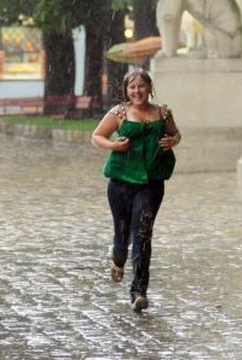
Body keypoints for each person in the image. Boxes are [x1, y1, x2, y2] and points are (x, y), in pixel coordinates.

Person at [91, 68, 181, 312]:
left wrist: (173, 140)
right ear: (126, 90)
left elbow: (176, 134)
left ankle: (139, 291)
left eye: (141, 86)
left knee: (143, 234)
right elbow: (97, 136)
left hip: (151, 183)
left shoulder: (162, 112)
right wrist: (113, 145)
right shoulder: (119, 112)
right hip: (120, 182)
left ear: (149, 88)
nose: (137, 91)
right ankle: (118, 260)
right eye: (132, 87)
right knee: (122, 235)